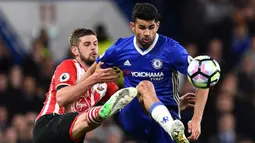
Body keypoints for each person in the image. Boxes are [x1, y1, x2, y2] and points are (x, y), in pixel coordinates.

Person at [96, 3, 209, 143]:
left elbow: (203, 79)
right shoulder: (120, 48)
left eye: (151, 27)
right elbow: (95, 68)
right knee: (144, 86)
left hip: (165, 117)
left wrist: (196, 119)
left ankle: (170, 126)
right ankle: (171, 126)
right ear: (132, 26)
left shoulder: (172, 49)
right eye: (142, 27)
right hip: (134, 116)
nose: (147, 33)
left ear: (158, 26)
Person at [32, 28, 138, 143]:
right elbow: (62, 99)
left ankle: (100, 113)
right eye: (87, 44)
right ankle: (100, 112)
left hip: (73, 135)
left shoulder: (104, 80)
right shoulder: (69, 65)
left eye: (95, 44)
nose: (93, 47)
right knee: (86, 119)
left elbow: (124, 98)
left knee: (88, 123)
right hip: (49, 125)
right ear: (75, 50)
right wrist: (93, 79)